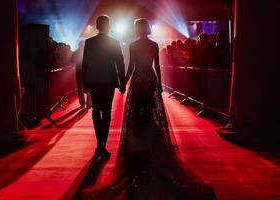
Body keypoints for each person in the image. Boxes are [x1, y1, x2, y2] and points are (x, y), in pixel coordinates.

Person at [79, 18, 216, 200]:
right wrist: (158, 84)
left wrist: (123, 82)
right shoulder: (152, 45)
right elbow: (154, 66)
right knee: (149, 114)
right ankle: (149, 144)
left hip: (131, 80)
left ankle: (114, 146)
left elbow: (127, 66)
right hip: (148, 80)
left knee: (127, 114)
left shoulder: (128, 45)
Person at [82, 15, 126, 159]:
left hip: (94, 81)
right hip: (108, 81)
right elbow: (120, 63)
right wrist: (122, 81)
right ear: (109, 26)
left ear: (97, 26)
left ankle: (99, 142)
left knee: (96, 110)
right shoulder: (114, 42)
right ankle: (102, 144)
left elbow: (86, 63)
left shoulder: (89, 42)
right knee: (106, 111)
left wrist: (85, 82)